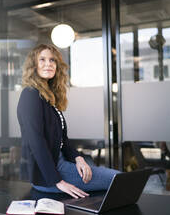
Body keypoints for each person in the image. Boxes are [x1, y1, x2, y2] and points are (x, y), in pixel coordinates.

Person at [17, 44, 119, 199]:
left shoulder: (48, 97)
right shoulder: (30, 94)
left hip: (61, 163)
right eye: (42, 59)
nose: (48, 64)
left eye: (52, 60)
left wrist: (79, 159)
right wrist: (57, 181)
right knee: (117, 178)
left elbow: (63, 140)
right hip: (49, 174)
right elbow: (36, 141)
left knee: (111, 178)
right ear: (34, 65)